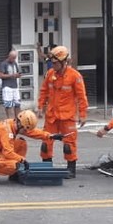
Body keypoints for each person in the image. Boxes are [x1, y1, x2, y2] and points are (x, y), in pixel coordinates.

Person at [37, 45, 88, 179]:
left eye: (55, 63)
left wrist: (82, 115)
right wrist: (40, 107)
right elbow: (44, 91)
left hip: (68, 116)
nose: (53, 65)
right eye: (51, 63)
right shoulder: (50, 74)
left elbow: (82, 97)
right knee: (46, 142)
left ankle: (71, 170)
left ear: (63, 62)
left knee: (69, 144)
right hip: (52, 116)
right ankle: (46, 167)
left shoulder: (75, 76)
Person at [0, 110, 64, 184]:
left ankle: (13, 174)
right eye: (25, 129)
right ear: (20, 124)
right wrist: (22, 160)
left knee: (21, 143)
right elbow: (8, 152)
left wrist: (50, 136)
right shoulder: (6, 131)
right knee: (13, 165)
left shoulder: (14, 124)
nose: (26, 131)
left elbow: (33, 132)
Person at [0, 50, 23, 120]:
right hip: (7, 86)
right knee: (8, 104)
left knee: (17, 103)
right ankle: (10, 119)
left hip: (15, 86)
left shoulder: (15, 63)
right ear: (9, 56)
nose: (13, 59)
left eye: (15, 58)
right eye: (12, 57)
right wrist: (12, 75)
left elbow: (17, 72)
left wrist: (18, 75)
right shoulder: (3, 64)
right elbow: (0, 75)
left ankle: (18, 119)